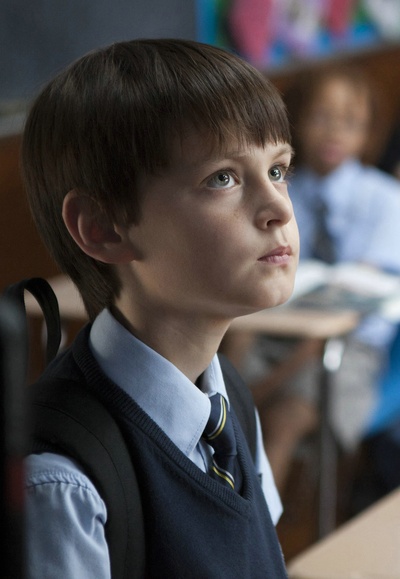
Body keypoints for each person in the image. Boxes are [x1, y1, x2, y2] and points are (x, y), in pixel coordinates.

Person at [21, 38, 299, 577]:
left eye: (278, 170)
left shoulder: (229, 400)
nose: (278, 208)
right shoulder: (61, 483)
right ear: (102, 228)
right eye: (223, 178)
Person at [237, 65, 400, 492]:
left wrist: (271, 382)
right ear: (296, 122)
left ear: (369, 132)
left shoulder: (386, 199)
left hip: (350, 347)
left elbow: (354, 299)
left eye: (350, 122)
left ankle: (260, 529)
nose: (334, 133)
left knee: (283, 419)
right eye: (320, 117)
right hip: (276, 332)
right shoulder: (277, 193)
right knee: (231, 368)